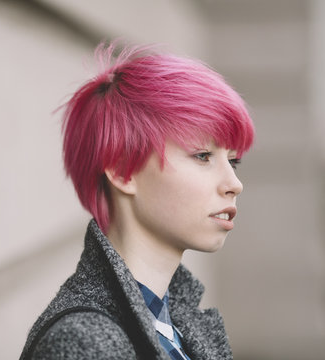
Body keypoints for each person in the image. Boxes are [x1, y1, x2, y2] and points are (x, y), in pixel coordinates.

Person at [20, 42, 254, 360]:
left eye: (233, 161)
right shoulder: (86, 343)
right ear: (122, 170)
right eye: (203, 156)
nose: (234, 184)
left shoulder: (172, 325)